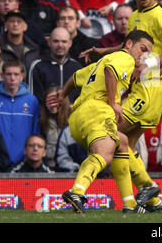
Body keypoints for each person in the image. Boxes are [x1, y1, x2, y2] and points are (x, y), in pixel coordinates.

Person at [80, 0, 162, 212]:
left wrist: (149, 63)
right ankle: (147, 203)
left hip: (153, 88)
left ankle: (147, 187)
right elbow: (128, 45)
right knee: (123, 146)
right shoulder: (136, 15)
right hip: (139, 88)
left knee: (112, 131)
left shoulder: (161, 17)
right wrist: (102, 51)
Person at [60, 30, 154, 214]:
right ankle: (77, 191)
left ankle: (130, 204)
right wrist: (112, 102)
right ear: (128, 44)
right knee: (104, 153)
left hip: (80, 115)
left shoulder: (99, 63)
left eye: (147, 52)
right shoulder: (123, 58)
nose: (144, 54)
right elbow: (110, 71)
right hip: (98, 111)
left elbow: (76, 76)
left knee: (122, 143)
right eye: (142, 49)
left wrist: (62, 95)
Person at [0, 59, 41, 165]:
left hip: (24, 160)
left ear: (22, 76)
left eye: (16, 74)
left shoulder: (32, 100)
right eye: (9, 74)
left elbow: (35, 131)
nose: (12, 78)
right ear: (2, 75)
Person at [28, 27, 82, 104]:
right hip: (45, 115)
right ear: (49, 42)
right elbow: (33, 100)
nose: (60, 45)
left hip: (72, 115)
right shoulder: (37, 66)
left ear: (70, 43)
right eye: (56, 41)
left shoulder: (77, 68)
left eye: (64, 41)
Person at [40, 86, 71, 170]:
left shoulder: (73, 118)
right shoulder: (42, 121)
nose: (52, 104)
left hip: (69, 165)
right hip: (49, 165)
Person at [2, 9, 42, 73]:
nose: (15, 24)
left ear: (25, 27)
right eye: (12, 21)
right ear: (6, 25)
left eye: (19, 21)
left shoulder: (34, 50)